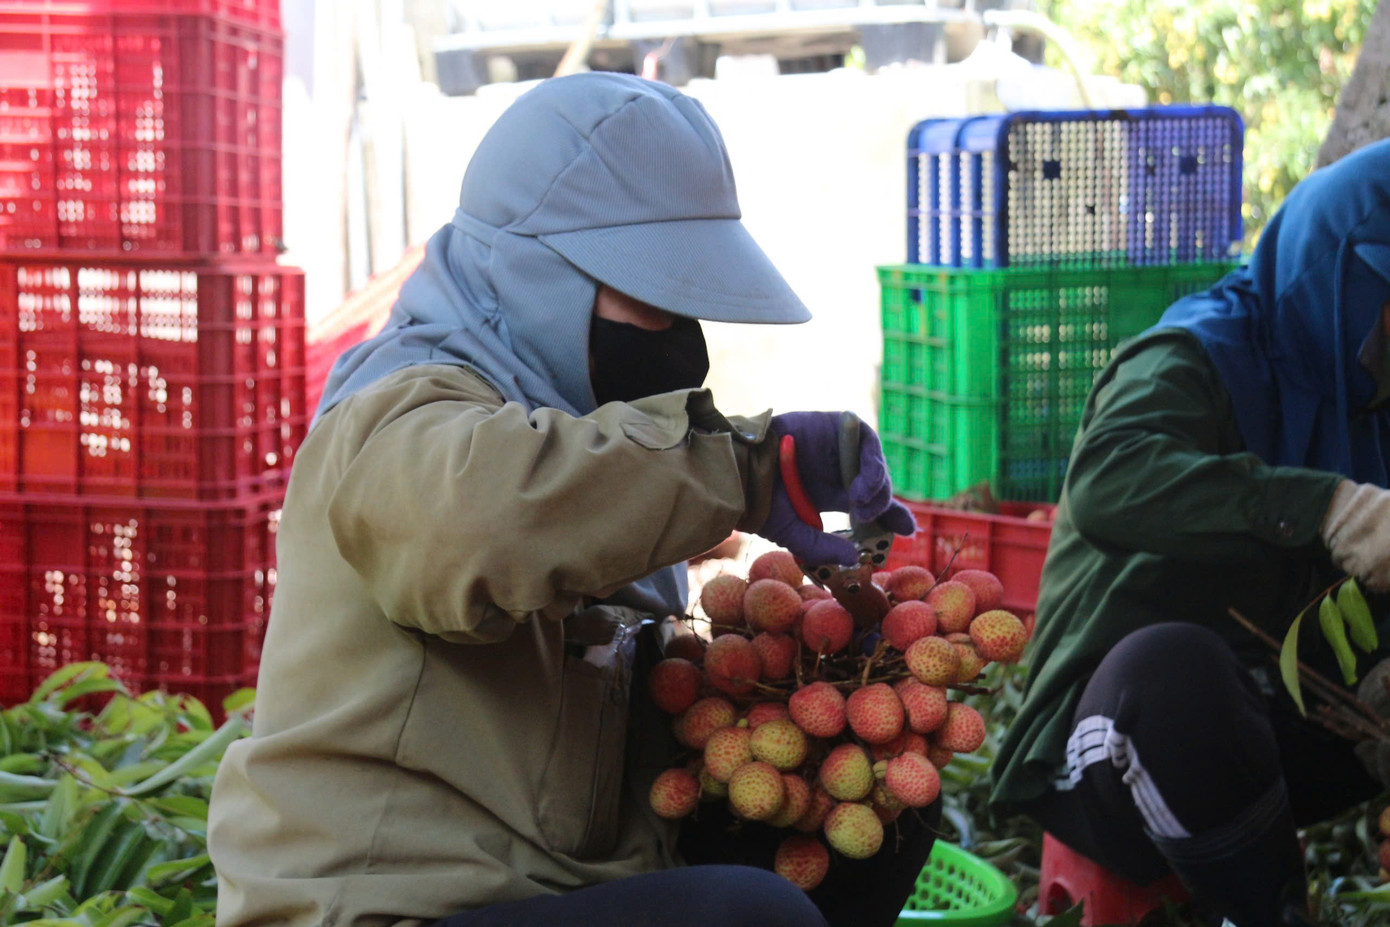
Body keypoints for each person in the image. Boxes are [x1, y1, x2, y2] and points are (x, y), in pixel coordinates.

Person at [207, 72, 931, 927]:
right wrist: (745, 469)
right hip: (383, 909)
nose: (683, 339)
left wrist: (792, 684)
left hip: (552, 885)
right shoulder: (393, 412)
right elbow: (480, 525)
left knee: (878, 808)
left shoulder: (588, 434)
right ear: (537, 275)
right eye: (656, 300)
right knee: (748, 919)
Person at [989, 137, 1390, 926]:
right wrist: (1326, 508)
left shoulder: (1368, 400)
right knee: (1174, 673)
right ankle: (1272, 911)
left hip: (1266, 732)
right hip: (1111, 738)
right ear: (1342, 272)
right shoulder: (1195, 356)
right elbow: (1107, 479)